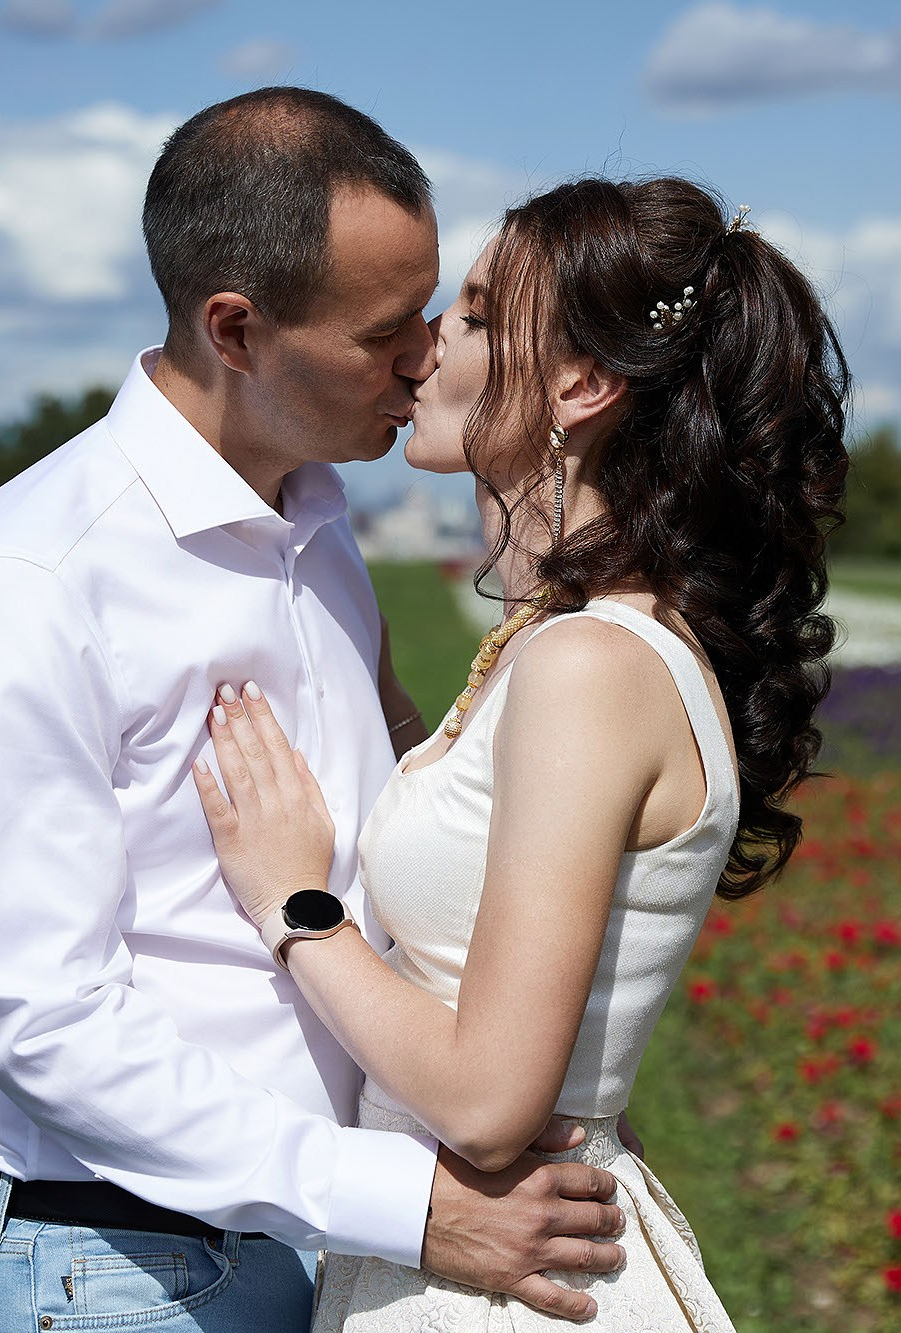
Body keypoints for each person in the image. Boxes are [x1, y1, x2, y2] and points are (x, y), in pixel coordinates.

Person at [0, 88, 628, 1332]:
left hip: (335, 1248)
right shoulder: (35, 579)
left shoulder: (321, 527)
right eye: (381, 330)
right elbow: (48, 1018)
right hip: (132, 1273)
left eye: (430, 311)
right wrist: (406, 1203)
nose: (426, 357)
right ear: (233, 328)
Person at [192, 178, 850, 1329]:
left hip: (502, 1282)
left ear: (581, 386)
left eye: (480, 315)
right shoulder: (558, 643)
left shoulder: (589, 665)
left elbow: (492, 1102)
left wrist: (296, 908)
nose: (427, 339)